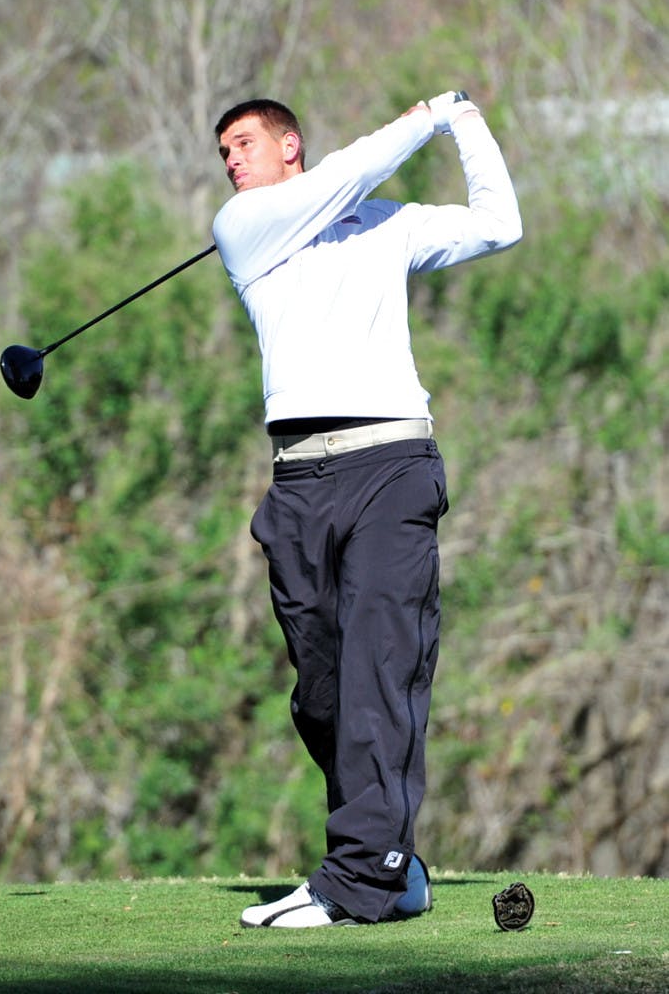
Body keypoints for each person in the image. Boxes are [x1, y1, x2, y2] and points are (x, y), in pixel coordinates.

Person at [212, 91, 522, 928]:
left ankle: (358, 879)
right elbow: (345, 176)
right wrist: (421, 118)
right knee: (324, 697)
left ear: (290, 145)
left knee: (379, 674)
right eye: (224, 152)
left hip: (391, 468)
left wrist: (463, 123)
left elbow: (500, 224)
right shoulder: (243, 228)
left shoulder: (387, 224)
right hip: (299, 485)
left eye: (244, 143)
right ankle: (394, 864)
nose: (232, 160)